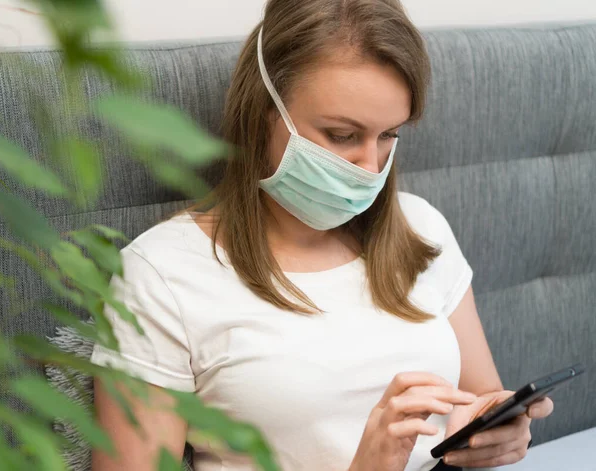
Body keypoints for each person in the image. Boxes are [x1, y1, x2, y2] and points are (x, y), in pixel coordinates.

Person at [90, 0, 554, 470]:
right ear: (264, 112)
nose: (371, 169)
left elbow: (476, 401)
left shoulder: (419, 227)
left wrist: (496, 434)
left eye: (389, 134)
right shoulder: (162, 275)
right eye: (341, 134)